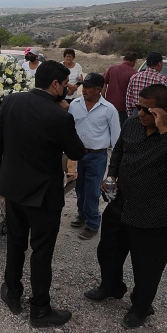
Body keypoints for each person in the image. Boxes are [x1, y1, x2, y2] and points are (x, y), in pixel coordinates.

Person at [85, 84, 167, 329]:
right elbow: (118, 153)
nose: (140, 114)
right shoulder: (132, 124)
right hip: (121, 205)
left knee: (147, 267)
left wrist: (164, 130)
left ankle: (140, 306)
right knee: (108, 253)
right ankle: (111, 286)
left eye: (148, 110)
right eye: (138, 107)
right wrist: (111, 176)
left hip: (155, 213)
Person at [0, 60, 86, 328]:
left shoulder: (10, 102)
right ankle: (40, 309)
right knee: (41, 252)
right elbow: (77, 152)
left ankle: (12, 292)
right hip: (44, 196)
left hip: (14, 188)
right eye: (65, 86)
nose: (67, 90)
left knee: (16, 243)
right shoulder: (60, 116)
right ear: (55, 84)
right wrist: (69, 116)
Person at [68, 73, 121, 240]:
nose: (84, 90)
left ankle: (93, 223)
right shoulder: (75, 105)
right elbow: (69, 129)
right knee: (80, 187)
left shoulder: (109, 109)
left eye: (88, 87)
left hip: (97, 156)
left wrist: (115, 165)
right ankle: (82, 214)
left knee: (92, 190)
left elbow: (116, 137)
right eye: (84, 86)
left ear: (99, 89)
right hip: (77, 155)